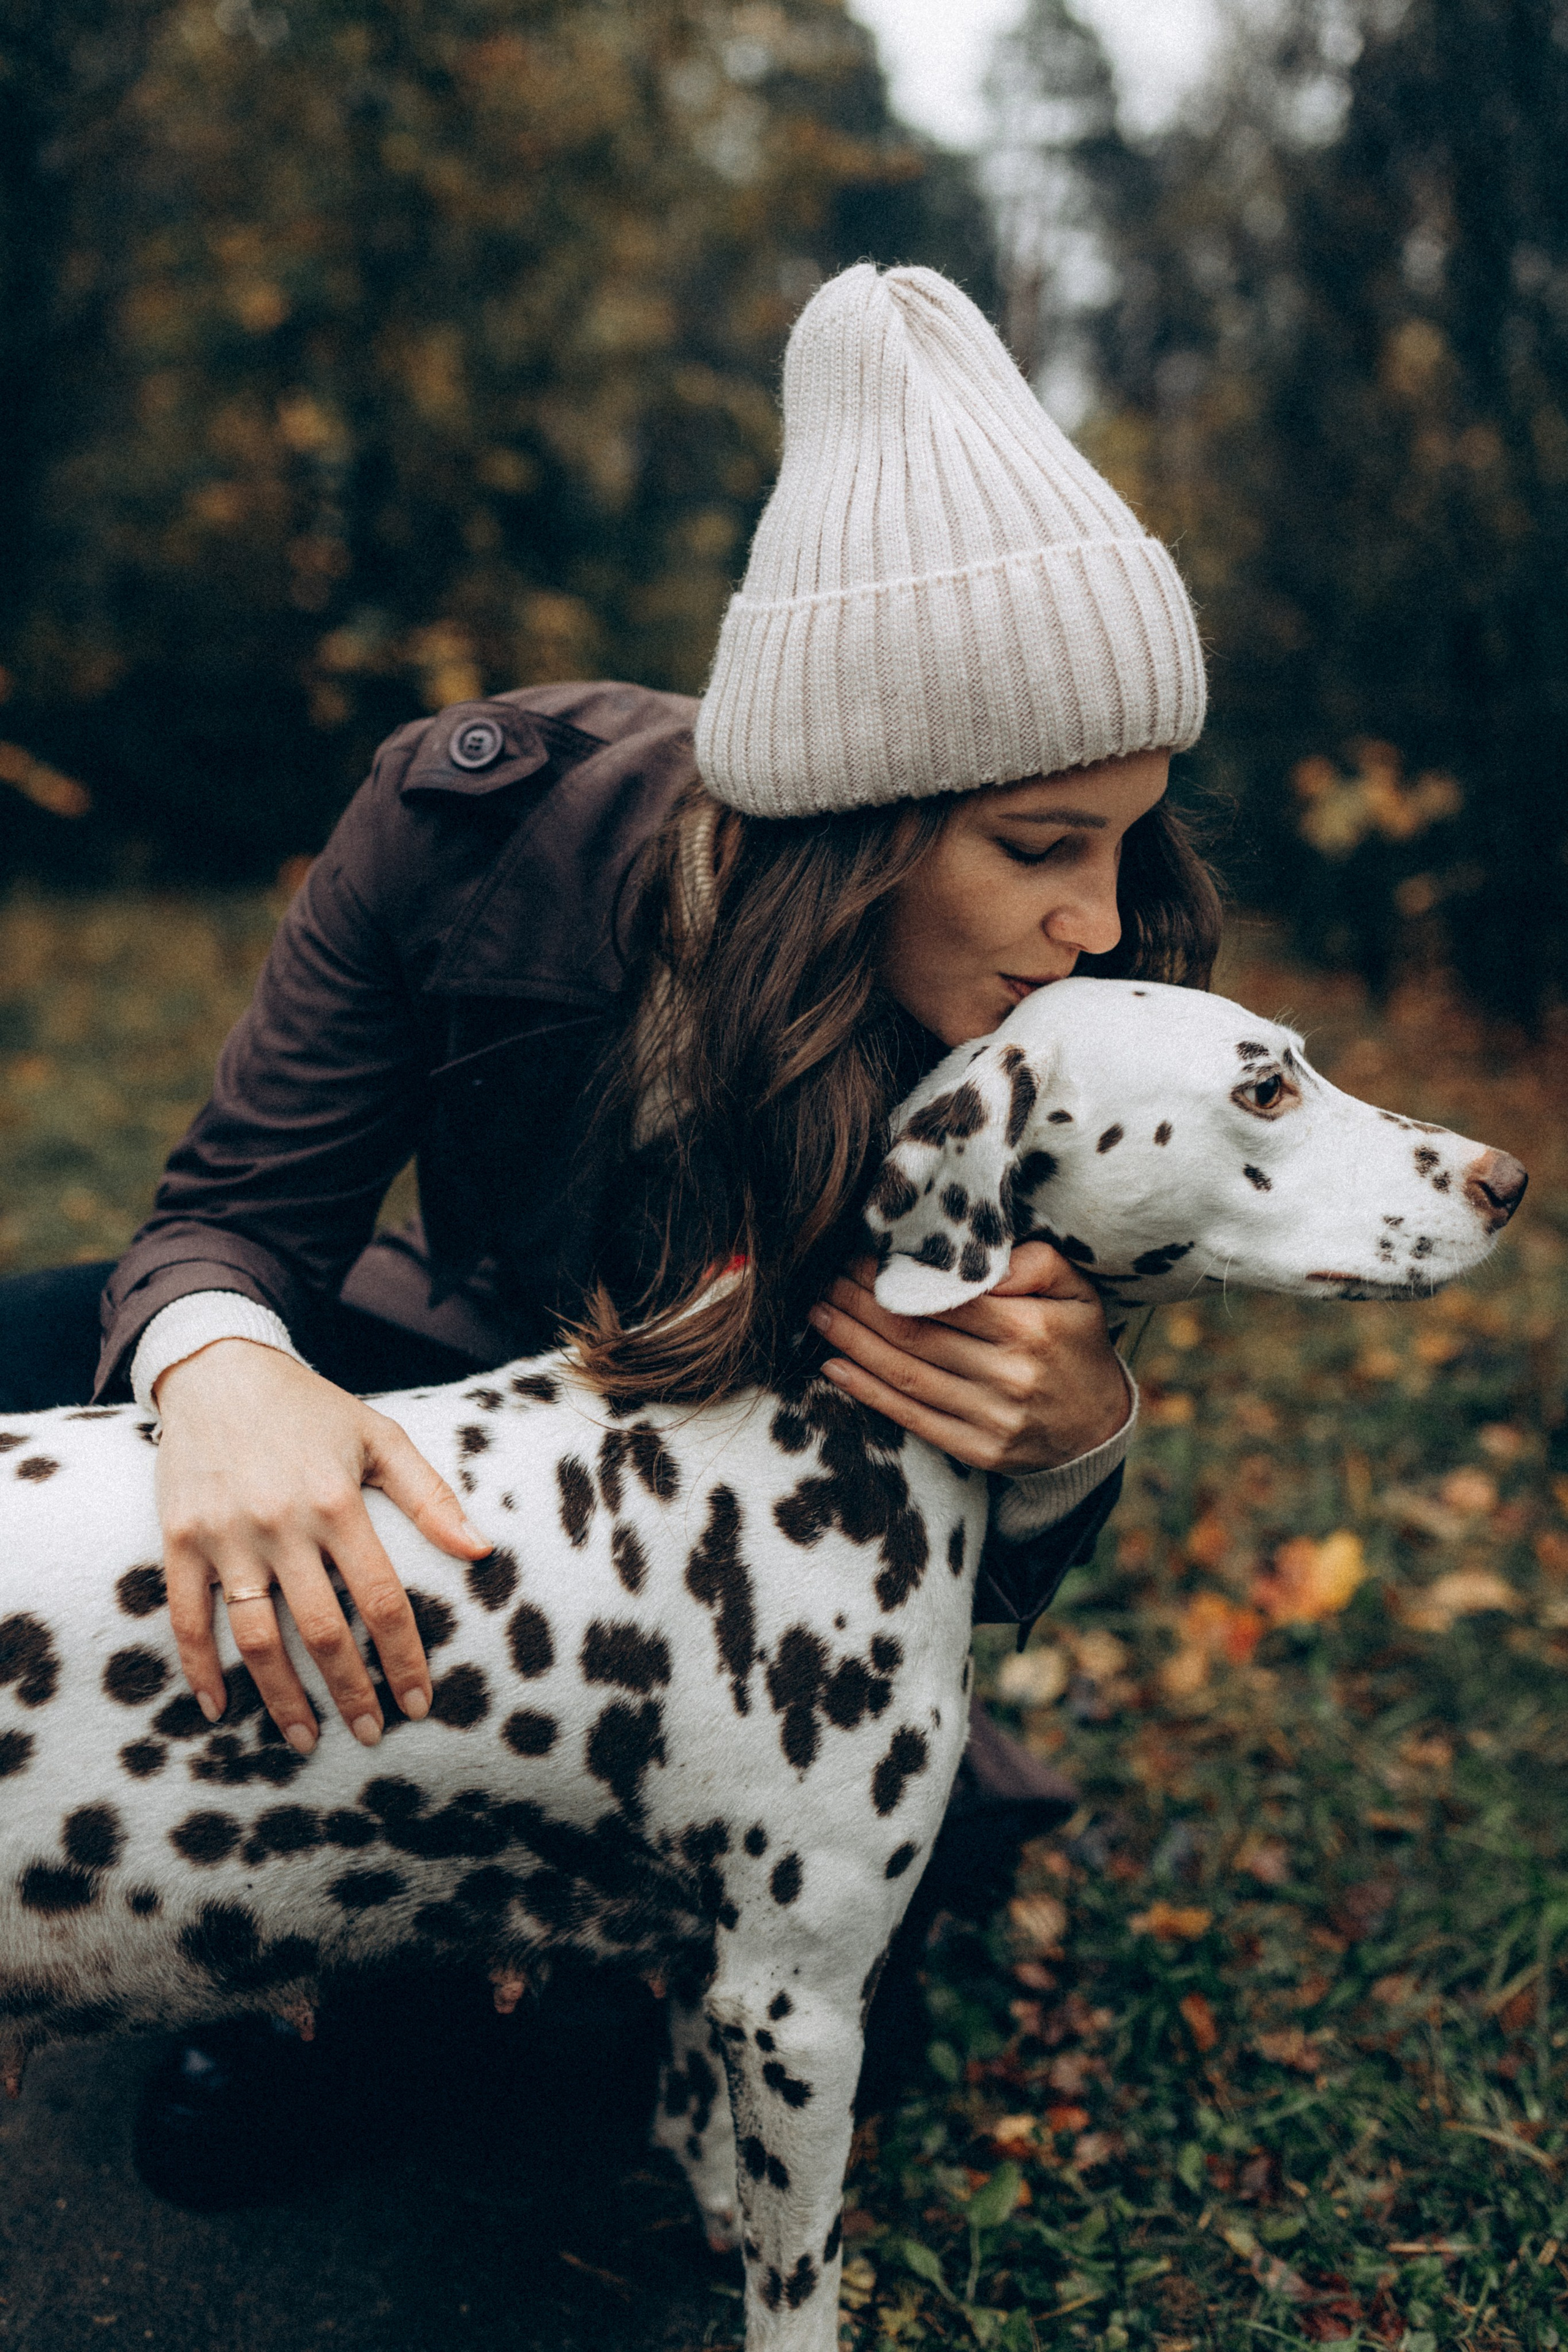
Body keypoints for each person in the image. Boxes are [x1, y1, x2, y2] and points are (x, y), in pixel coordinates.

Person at [0, 263, 1218, 2198]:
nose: (1102, 921)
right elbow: (236, 1210)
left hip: (750, 1586)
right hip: (468, 1406)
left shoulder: (1074, 1003)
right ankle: (282, 1951)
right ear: (850, 822)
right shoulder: (475, 822)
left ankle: (506, 1957)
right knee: (52, 1334)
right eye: (1041, 844)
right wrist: (226, 1363)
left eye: (1132, 837)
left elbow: (941, 1558)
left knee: (813, 2050)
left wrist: (1072, 1443)